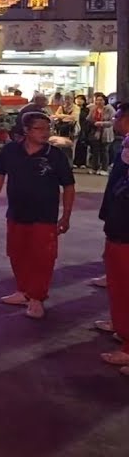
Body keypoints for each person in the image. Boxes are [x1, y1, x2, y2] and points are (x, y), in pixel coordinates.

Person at [0, 112, 76, 320]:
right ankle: (23, 290)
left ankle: (37, 298)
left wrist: (66, 215)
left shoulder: (55, 155)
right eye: (39, 129)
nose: (45, 133)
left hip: (44, 215)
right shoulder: (10, 151)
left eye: (47, 129)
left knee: (43, 258)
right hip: (17, 212)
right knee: (17, 253)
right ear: (26, 130)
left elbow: (68, 186)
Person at [95, 113, 129, 375]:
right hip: (119, 226)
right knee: (118, 283)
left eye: (119, 116)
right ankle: (121, 327)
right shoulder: (124, 146)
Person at [87, 93, 114, 175]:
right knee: (95, 151)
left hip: (106, 132)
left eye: (101, 100)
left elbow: (112, 121)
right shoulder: (93, 109)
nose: (99, 102)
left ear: (104, 100)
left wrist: (101, 123)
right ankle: (94, 167)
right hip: (95, 133)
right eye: (97, 100)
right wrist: (94, 123)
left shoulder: (109, 109)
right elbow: (88, 119)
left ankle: (104, 168)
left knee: (104, 151)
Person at [72, 94, 91, 168]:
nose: (79, 100)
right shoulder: (73, 109)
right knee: (75, 146)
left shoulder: (86, 110)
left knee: (83, 145)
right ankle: (75, 162)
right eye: (77, 98)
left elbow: (88, 120)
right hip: (74, 128)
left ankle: (82, 162)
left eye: (81, 99)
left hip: (84, 128)